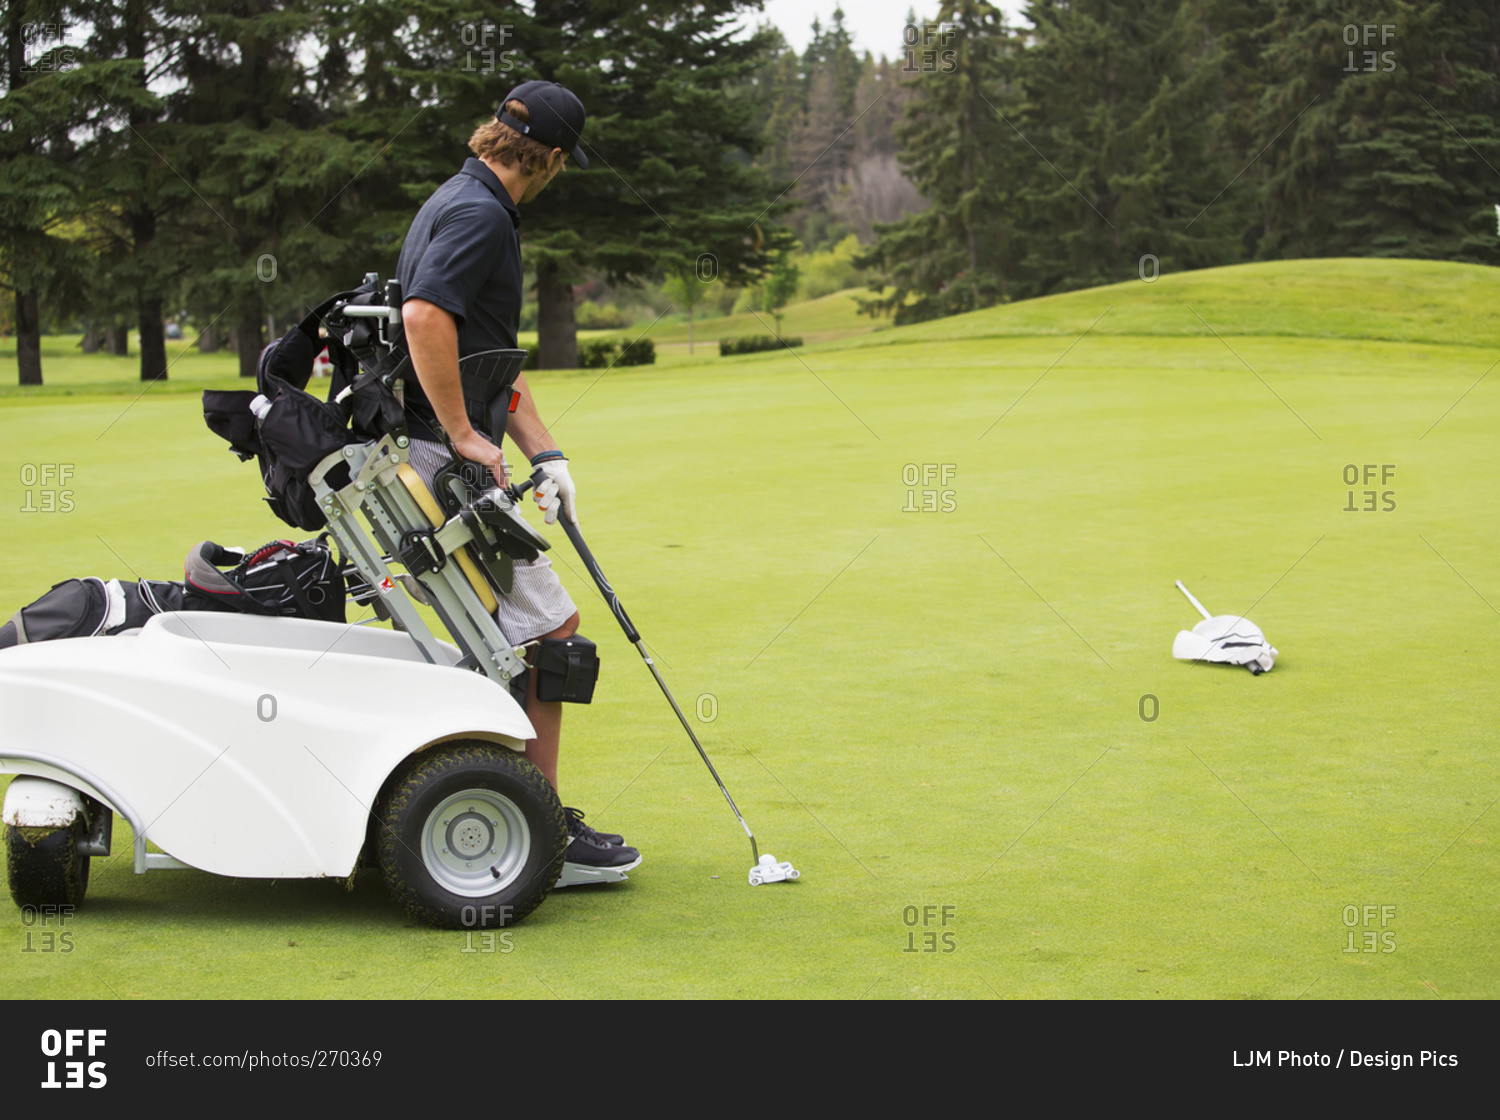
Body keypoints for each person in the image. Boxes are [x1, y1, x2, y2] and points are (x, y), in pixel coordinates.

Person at [394, 80, 639, 876]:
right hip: (442, 463)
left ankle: (516, 810)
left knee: (508, 640)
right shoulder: (482, 215)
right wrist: (464, 433)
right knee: (549, 634)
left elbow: (486, 353)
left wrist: (546, 452)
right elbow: (424, 316)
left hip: (436, 456)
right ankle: (542, 829)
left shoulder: (456, 197)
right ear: (553, 158)